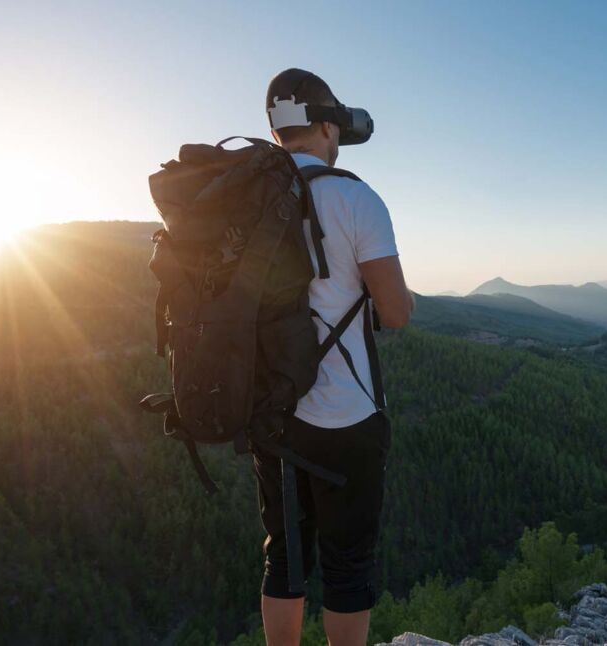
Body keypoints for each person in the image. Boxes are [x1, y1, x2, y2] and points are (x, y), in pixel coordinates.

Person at [252, 68, 414, 646]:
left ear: (277, 133)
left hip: (271, 409)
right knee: (347, 566)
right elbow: (395, 312)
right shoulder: (353, 197)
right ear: (327, 126)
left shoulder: (248, 203)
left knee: (284, 557)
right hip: (346, 414)